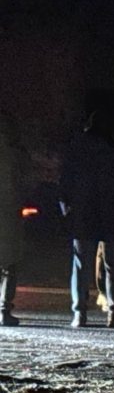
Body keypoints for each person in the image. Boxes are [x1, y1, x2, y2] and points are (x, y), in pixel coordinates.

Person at [60, 110, 114, 328]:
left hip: (84, 213)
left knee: (81, 264)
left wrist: (66, 208)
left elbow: (65, 182)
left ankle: (79, 313)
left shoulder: (77, 148)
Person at [0, 113, 22, 327]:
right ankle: (4, 309)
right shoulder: (12, 154)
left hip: (7, 210)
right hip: (6, 212)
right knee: (8, 263)